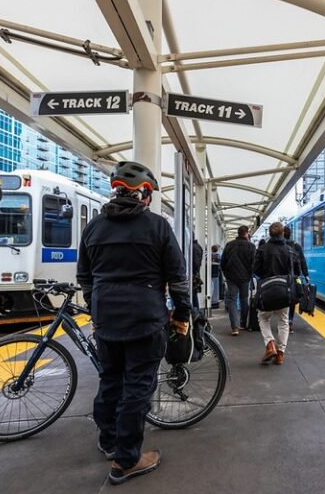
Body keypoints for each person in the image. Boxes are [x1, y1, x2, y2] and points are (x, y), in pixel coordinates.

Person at [77, 161, 191, 485]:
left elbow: (85, 277)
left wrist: (96, 308)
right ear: (145, 193)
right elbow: (177, 278)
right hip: (145, 317)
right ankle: (127, 460)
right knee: (138, 387)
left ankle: (108, 439)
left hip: (106, 319)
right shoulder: (157, 226)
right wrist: (182, 314)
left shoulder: (94, 228)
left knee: (110, 380)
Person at [253, 222, 294, 365]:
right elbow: (293, 271)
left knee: (263, 318)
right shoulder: (289, 250)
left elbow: (256, 269)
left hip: (267, 290)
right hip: (284, 290)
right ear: (282, 234)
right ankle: (280, 354)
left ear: (270, 234)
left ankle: (270, 344)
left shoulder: (263, 249)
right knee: (283, 321)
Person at [221, 225, 256, 335]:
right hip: (245, 278)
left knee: (232, 300)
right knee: (244, 299)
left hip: (231, 277)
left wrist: (226, 274)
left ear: (238, 233)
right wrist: (250, 274)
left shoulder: (229, 245)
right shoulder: (251, 246)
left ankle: (234, 327)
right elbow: (254, 263)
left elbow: (223, 262)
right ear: (246, 233)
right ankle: (242, 323)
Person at [284, 225, 309, 333]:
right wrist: (306, 274)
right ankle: (289, 322)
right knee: (292, 300)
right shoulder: (296, 246)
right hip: (294, 277)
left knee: (283, 300)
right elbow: (302, 261)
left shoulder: (280, 245)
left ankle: (284, 322)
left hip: (281, 276)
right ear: (290, 234)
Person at [192, 239, 204, 312]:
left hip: (193, 275)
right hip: (195, 275)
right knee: (194, 295)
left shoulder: (193, 247)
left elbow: (196, 264)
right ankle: (196, 313)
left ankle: (196, 314)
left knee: (193, 296)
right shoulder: (197, 247)